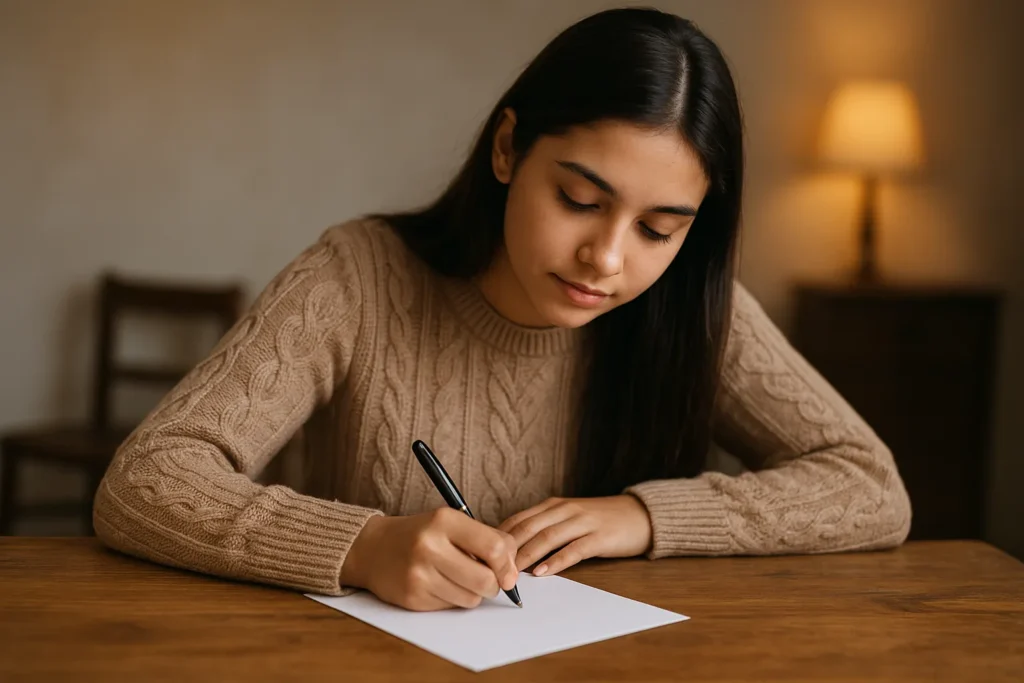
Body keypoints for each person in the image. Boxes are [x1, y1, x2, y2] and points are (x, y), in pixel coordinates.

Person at [93, 7, 911, 612]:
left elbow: (871, 486)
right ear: (507, 147)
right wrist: (364, 545)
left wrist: (645, 515)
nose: (610, 258)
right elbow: (145, 479)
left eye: (661, 229)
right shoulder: (357, 278)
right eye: (581, 198)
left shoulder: (689, 303)